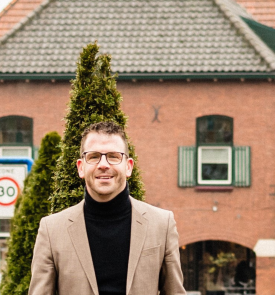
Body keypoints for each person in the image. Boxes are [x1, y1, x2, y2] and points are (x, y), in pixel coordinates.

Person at [29, 121, 186, 295]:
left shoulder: (162, 225)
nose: (103, 164)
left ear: (128, 166)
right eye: (94, 156)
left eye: (113, 156)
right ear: (81, 167)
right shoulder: (51, 231)